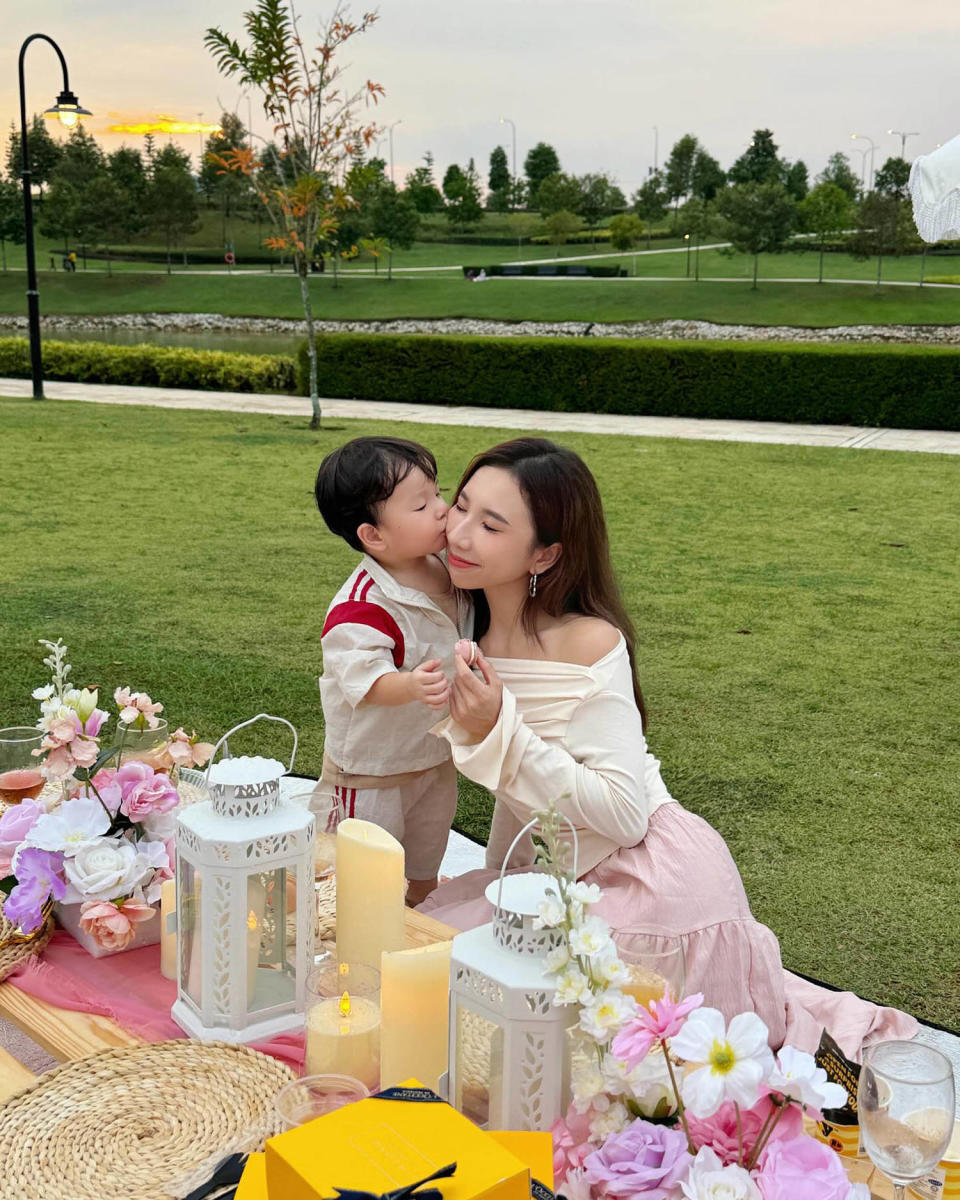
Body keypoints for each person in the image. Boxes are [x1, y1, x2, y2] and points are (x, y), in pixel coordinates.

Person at [419, 437, 917, 1058]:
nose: (460, 535)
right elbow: (518, 792)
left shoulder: (588, 642)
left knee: (531, 1033)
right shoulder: (473, 637)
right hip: (559, 874)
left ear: (546, 552)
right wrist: (500, 872)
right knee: (429, 975)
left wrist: (500, 729)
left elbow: (623, 814)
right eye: (459, 507)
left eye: (490, 524)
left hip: (652, 881)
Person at [314, 436, 473, 905]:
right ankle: (360, 932)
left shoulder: (444, 569)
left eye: (438, 494)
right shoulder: (363, 606)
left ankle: (422, 907)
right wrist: (407, 684)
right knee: (364, 873)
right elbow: (364, 680)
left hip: (432, 757)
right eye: (422, 505)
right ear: (374, 536)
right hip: (371, 774)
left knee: (426, 852)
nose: (442, 509)